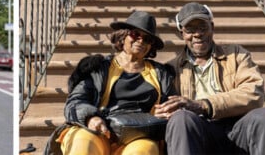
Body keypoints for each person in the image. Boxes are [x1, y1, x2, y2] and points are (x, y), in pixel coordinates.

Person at [155, 2, 265, 155]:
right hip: (198, 133)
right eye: (190, 29)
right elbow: (162, 107)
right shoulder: (170, 69)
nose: (197, 34)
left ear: (212, 28)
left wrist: (204, 105)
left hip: (237, 128)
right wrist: (161, 112)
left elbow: (253, 93)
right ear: (182, 33)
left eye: (203, 28)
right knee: (180, 119)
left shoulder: (236, 55)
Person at [53, 11, 178, 155]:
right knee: (83, 141)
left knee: (144, 151)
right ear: (123, 36)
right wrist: (90, 117)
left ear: (151, 46)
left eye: (147, 39)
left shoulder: (160, 74)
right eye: (136, 34)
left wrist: (166, 112)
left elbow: (172, 106)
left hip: (140, 135)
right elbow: (75, 101)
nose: (141, 41)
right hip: (99, 130)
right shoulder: (99, 68)